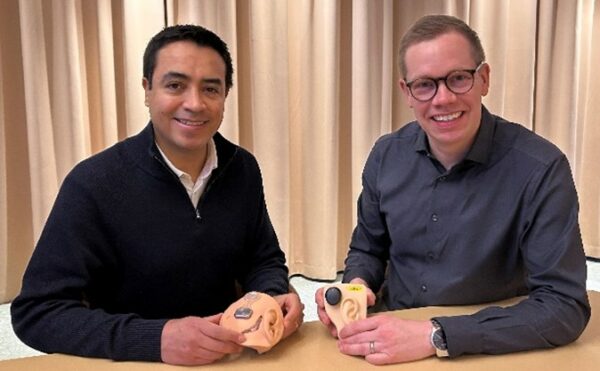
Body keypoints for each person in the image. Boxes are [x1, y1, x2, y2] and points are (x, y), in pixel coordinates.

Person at [11, 24, 303, 366]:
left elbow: (262, 257)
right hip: (136, 362)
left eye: (210, 88)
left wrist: (269, 298)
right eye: (175, 85)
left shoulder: (242, 169)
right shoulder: (94, 183)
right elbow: (37, 312)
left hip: (230, 358)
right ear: (147, 89)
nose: (194, 104)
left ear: (225, 96)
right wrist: (155, 339)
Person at [316, 14, 590, 365]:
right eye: (425, 84)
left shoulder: (542, 169)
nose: (442, 99)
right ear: (407, 93)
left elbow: (564, 306)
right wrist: (356, 287)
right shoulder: (386, 155)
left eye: (458, 78)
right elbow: (368, 248)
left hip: (485, 349)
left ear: (484, 79)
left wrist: (436, 334)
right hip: (388, 337)